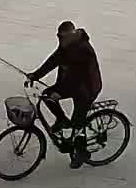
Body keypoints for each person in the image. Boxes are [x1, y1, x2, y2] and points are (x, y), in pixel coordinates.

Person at [28, 21, 103, 169]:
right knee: (47, 95)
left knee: (78, 122)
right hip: (70, 83)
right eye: (59, 37)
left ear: (72, 35)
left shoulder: (83, 50)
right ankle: (61, 120)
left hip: (86, 88)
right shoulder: (66, 46)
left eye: (63, 37)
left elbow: (78, 77)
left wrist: (60, 92)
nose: (61, 40)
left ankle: (82, 153)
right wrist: (36, 75)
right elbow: (53, 61)